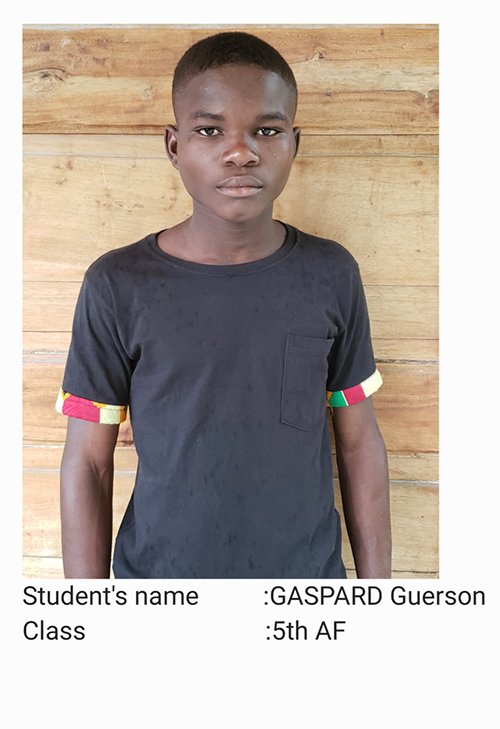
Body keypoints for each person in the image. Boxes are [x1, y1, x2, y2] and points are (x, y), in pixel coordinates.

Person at [56, 31, 391, 579]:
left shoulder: (331, 274)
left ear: (294, 143)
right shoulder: (117, 284)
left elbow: (359, 446)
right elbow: (89, 462)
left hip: (304, 596)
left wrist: (380, 596)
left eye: (267, 129)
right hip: (159, 596)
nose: (241, 151)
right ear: (174, 145)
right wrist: (87, 614)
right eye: (209, 130)